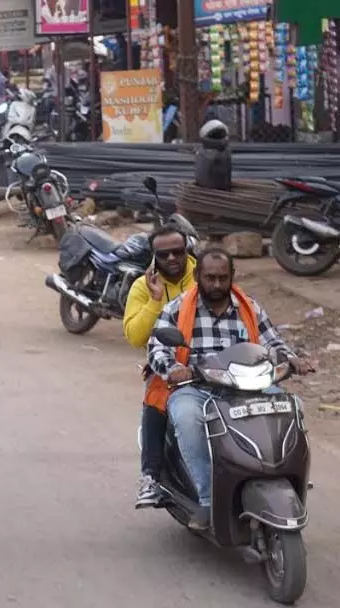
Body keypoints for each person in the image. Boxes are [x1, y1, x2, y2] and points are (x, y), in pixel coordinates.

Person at [147, 248, 312, 528]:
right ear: (198, 276)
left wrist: (291, 359)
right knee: (187, 418)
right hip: (198, 387)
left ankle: (281, 475)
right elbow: (157, 347)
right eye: (210, 278)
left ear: (232, 276)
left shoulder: (249, 306)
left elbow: (272, 341)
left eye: (223, 278)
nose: (216, 285)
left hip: (247, 386)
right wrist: (175, 369)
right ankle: (207, 499)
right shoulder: (177, 308)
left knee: (291, 408)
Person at [122, 224, 196, 508]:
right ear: (154, 257)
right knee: (156, 402)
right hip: (166, 365)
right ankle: (150, 477)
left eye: (178, 252)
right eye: (164, 255)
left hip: (212, 362)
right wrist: (154, 300)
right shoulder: (142, 287)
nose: (173, 259)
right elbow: (135, 337)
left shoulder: (205, 277)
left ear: (187, 250)